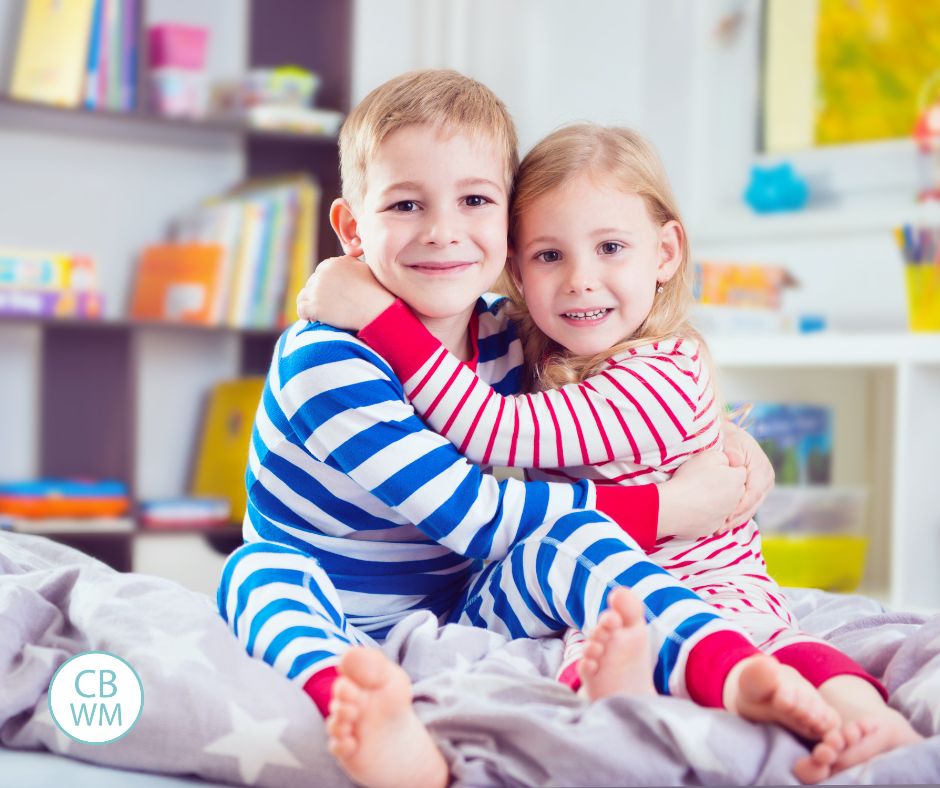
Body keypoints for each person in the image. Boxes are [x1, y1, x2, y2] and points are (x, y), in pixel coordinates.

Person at [220, 70, 839, 788]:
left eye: (475, 200)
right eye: (405, 204)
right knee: (257, 576)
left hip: (464, 609)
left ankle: (727, 667)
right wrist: (672, 507)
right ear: (353, 229)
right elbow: (472, 517)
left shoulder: (512, 335)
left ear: (509, 229)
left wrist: (733, 444)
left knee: (575, 537)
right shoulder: (324, 357)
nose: (443, 230)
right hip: (337, 604)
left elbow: (623, 402)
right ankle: (363, 712)